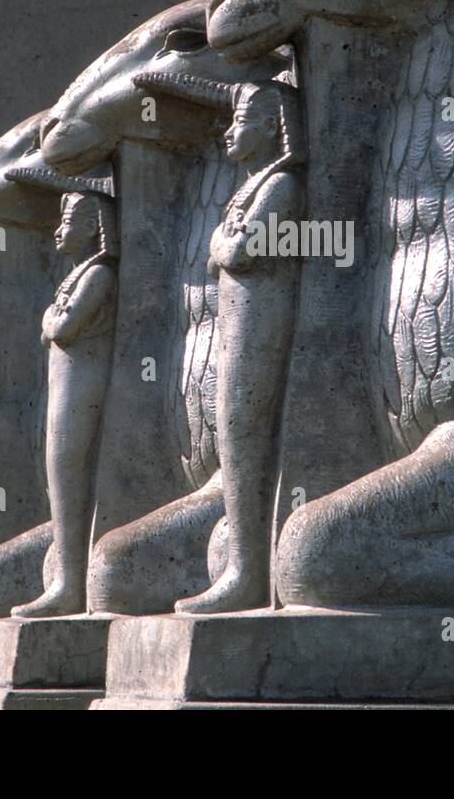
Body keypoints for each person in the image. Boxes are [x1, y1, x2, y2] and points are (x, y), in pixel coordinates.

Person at [175, 82, 305, 614]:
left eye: (243, 120)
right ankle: (241, 564)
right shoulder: (253, 188)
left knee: (245, 425)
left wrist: (220, 246)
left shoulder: (282, 186)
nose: (230, 131)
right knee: (230, 425)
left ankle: (249, 570)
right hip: (239, 325)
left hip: (262, 326)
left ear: (274, 127)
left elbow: (242, 248)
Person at [12, 190, 119, 617]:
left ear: (94, 225)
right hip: (63, 397)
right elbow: (55, 323)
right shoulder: (75, 277)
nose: (58, 230)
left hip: (84, 396)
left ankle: (71, 582)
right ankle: (65, 576)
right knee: (56, 471)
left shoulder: (98, 275)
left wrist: (51, 320)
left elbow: (63, 324)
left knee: (69, 469)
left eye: (68, 220)